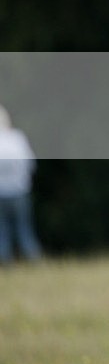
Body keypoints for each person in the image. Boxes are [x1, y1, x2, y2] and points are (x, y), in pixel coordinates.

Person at [0, 105, 41, 264]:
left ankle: (5, 264)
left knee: (2, 232)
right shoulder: (17, 138)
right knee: (24, 230)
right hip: (20, 192)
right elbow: (30, 164)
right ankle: (34, 262)